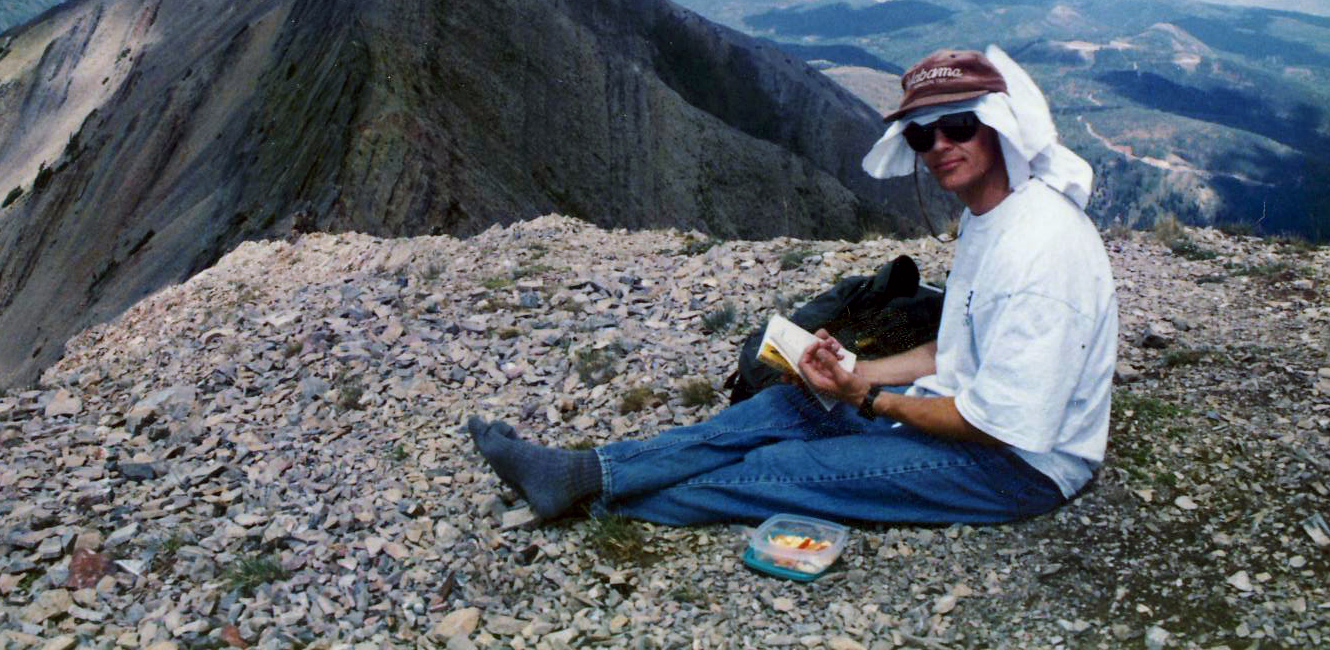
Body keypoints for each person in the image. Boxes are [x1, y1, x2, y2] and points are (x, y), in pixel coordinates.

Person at [467, 45, 1116, 528]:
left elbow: (998, 425)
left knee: (778, 475)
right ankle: (583, 471)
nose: (939, 145)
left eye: (959, 127)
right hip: (979, 426)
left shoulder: (1038, 253)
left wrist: (869, 400)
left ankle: (596, 501)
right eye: (923, 133)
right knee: (793, 407)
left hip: (1018, 470)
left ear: (999, 127)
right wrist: (849, 373)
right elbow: (955, 353)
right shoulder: (992, 217)